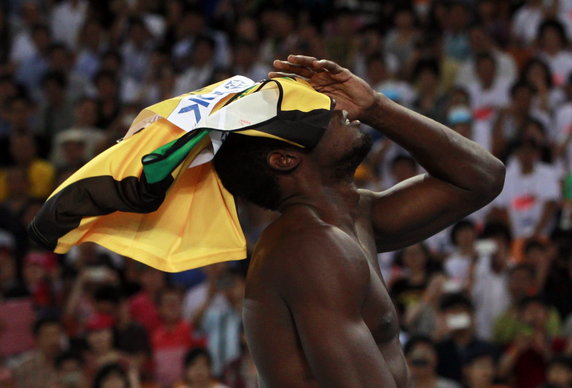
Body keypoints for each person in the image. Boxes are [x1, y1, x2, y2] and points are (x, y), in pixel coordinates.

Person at [212, 55, 505, 386]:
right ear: (285, 158)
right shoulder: (307, 246)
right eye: (313, 110)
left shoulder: (353, 217)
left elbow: (481, 178)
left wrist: (376, 107)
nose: (336, 107)